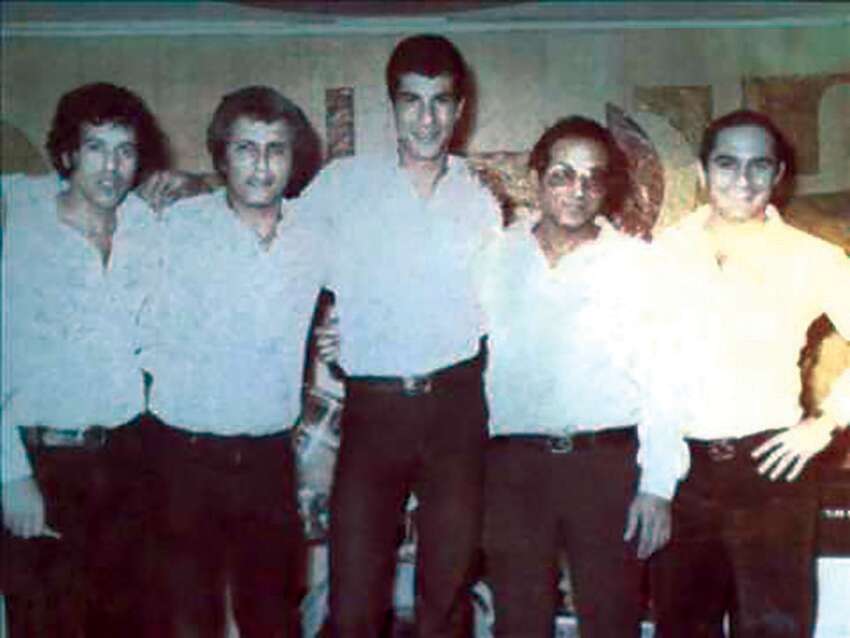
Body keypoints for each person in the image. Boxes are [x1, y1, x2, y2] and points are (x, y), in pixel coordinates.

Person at [298, 34, 501, 635]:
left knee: (447, 596)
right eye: (412, 101)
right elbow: (282, 258)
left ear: (460, 109)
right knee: (354, 599)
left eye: (440, 101)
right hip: (375, 410)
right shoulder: (343, 186)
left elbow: (495, 311)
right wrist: (322, 328)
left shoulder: (480, 199)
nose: (426, 118)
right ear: (392, 106)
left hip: (456, 407)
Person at [649, 109, 850, 638]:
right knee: (682, 628)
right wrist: (653, 480)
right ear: (701, 171)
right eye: (727, 163)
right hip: (683, 471)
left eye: (759, 165)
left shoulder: (812, 257)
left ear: (779, 175)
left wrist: (827, 423)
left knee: (774, 629)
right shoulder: (663, 253)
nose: (743, 179)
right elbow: (646, 368)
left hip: (773, 471)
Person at [477, 116, 677, 637]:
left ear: (609, 187)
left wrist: (657, 486)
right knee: (518, 624)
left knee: (612, 622)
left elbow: (663, 380)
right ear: (536, 178)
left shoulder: (637, 265)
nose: (578, 190)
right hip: (514, 471)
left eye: (593, 178)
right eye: (562, 175)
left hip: (605, 468)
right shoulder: (492, 258)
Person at [142, 85, 322, 637]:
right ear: (222, 157)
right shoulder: (174, 225)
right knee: (186, 621)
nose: (261, 165)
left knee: (273, 619)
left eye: (275, 149)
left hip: (268, 461)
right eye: (245, 149)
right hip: (182, 459)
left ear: (294, 159)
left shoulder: (316, 235)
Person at [1, 82, 168, 636]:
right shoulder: (19, 225)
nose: (111, 167)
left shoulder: (147, 226)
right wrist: (10, 476)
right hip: (43, 463)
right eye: (96, 148)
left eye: (125, 151)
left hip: (129, 461)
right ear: (69, 153)